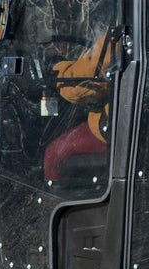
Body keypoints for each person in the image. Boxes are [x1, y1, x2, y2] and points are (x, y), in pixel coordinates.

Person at [43, 32, 114, 182]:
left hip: (111, 125)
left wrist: (56, 69)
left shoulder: (125, 26)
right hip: (135, 116)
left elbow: (85, 81)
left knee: (52, 154)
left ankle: (55, 199)